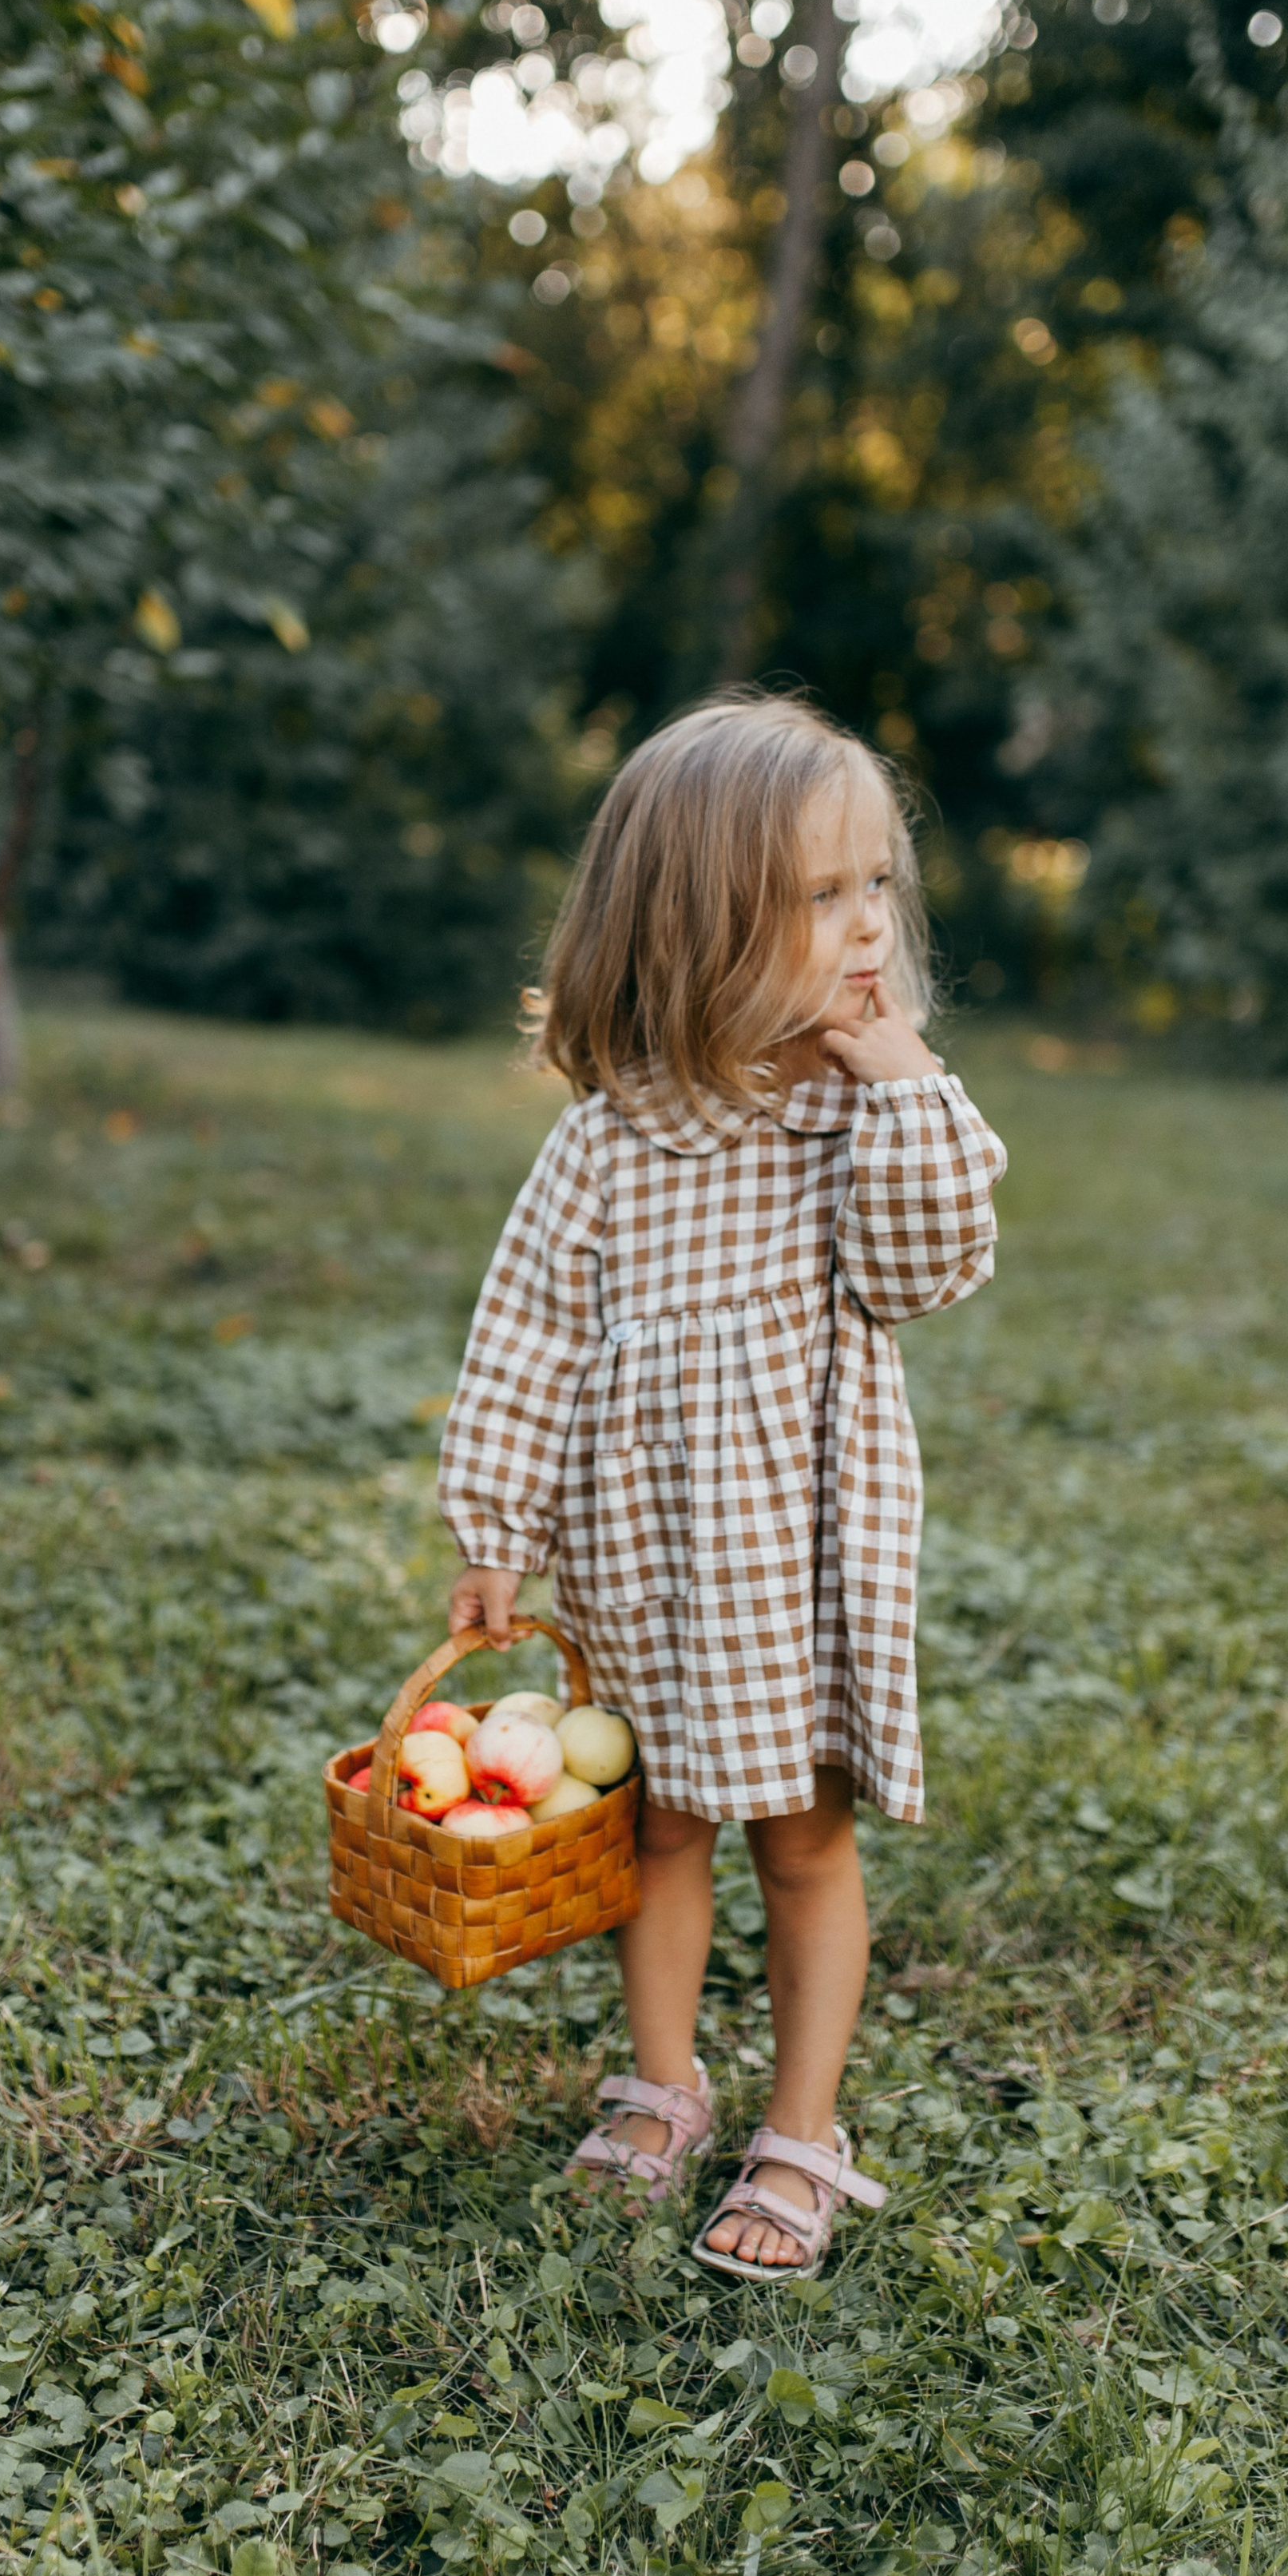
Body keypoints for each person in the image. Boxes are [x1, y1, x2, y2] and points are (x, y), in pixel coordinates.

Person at [438, 693, 1007, 2280]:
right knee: (659, 1831)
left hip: (797, 1556)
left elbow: (924, 1265)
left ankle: (803, 2131)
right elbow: (525, 1334)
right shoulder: (609, 1138)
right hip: (640, 1552)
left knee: (802, 1843)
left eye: (872, 888)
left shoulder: (855, 1108)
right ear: (699, 922)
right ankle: (662, 2086)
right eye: (819, 898)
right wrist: (495, 1529)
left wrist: (902, 1081)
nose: (865, 928)